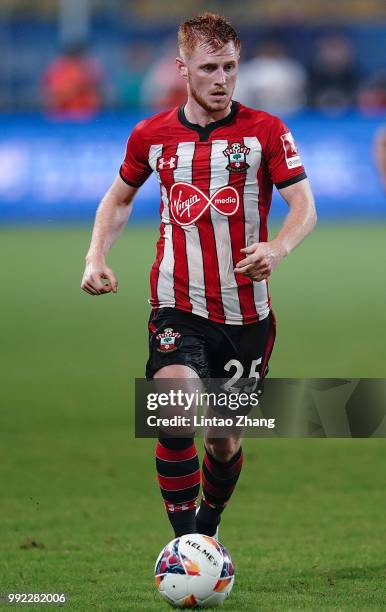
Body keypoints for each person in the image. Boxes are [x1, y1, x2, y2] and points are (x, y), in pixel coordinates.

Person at [81, 13, 317, 540]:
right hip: (176, 303)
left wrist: (278, 247)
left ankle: (207, 530)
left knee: (223, 441)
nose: (221, 79)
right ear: (181, 68)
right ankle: (185, 545)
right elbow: (118, 199)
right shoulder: (152, 135)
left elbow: (304, 206)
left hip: (245, 314)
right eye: (209, 67)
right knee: (174, 414)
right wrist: (96, 255)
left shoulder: (266, 132)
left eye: (230, 67)